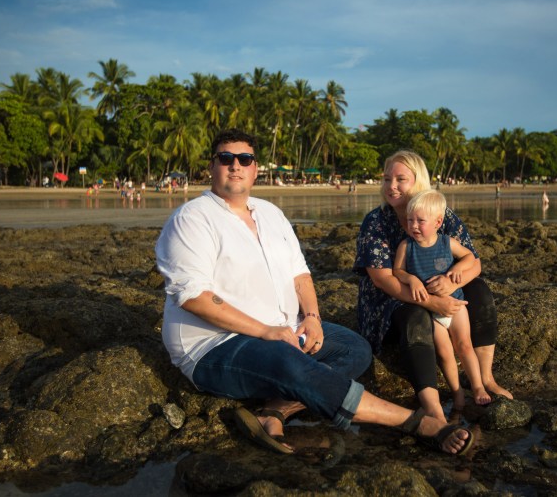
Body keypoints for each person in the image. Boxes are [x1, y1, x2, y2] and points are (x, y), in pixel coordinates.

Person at [155, 130, 473, 456]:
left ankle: (275, 410)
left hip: (283, 330)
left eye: (244, 159)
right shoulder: (192, 219)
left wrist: (312, 317)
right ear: (212, 166)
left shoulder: (270, 214)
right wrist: (265, 331)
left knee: (355, 349)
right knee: (288, 361)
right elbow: (192, 296)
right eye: (226, 158)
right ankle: (419, 423)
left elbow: (300, 273)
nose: (235, 166)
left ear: (254, 168)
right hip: (215, 345)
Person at [354, 150, 512, 423]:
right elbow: (383, 278)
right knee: (416, 316)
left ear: (418, 181)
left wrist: (451, 284)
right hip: (390, 300)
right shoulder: (377, 221)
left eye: (400, 179)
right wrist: (431, 302)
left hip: (439, 288)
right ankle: (433, 406)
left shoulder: (440, 213)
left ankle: (485, 379)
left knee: (480, 291)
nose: (391, 186)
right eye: (387, 179)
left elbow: (473, 263)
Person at [392, 190, 491, 409]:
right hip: (430, 311)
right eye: (410, 220)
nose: (414, 226)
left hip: (455, 304)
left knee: (464, 345)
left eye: (420, 221)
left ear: (438, 222)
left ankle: (478, 387)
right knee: (445, 352)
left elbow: (470, 257)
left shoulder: (447, 243)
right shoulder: (406, 246)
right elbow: (397, 271)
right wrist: (412, 280)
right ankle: (457, 392)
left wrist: (457, 269)